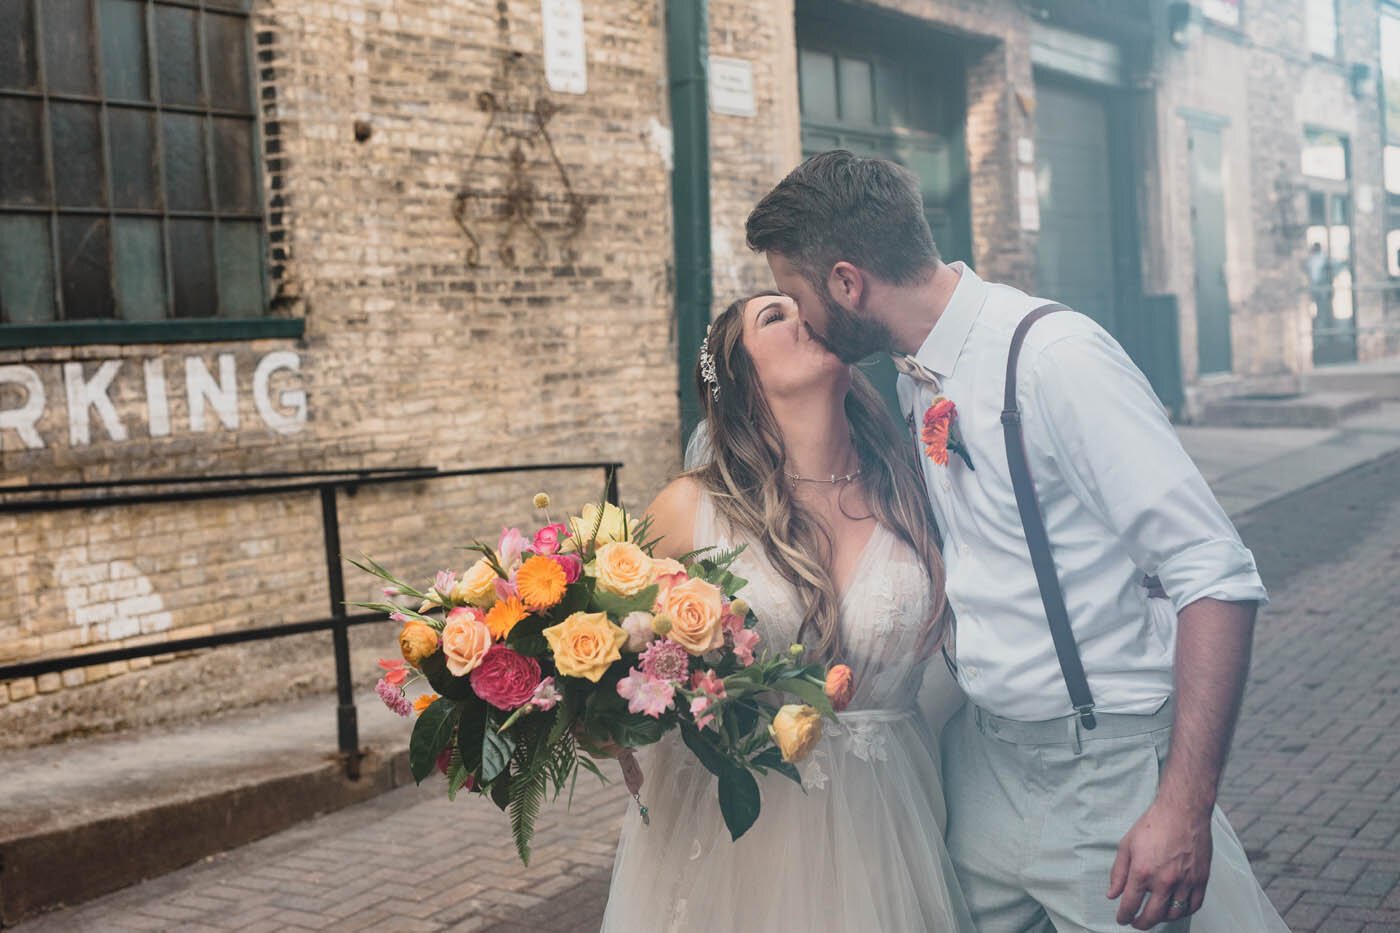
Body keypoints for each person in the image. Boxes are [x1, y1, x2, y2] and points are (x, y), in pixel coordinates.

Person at [743, 149, 1287, 932]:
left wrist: (1183, 806)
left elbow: (1214, 571)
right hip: (981, 768)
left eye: (797, 296)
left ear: (847, 282)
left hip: (1103, 774)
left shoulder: (1054, 359)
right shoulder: (910, 375)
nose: (800, 321)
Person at [599, 291, 976, 931]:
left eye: (805, 305)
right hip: (740, 840)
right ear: (741, 379)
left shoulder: (915, 489)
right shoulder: (690, 509)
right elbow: (613, 662)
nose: (807, 316)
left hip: (891, 819)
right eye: (775, 316)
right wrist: (606, 724)